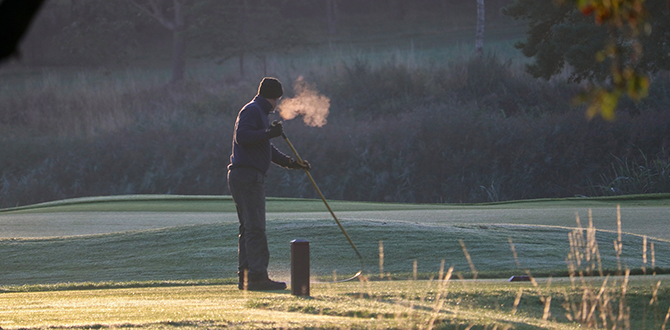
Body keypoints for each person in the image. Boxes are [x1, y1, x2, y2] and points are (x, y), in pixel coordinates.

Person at [227, 77, 310, 291]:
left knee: (248, 228)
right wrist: (268, 133)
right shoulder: (253, 110)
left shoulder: (259, 113)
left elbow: (266, 149)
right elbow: (242, 137)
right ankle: (257, 277)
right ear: (273, 97)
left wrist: (291, 163)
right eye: (277, 99)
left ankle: (246, 277)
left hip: (243, 176)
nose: (277, 104)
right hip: (248, 176)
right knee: (255, 228)